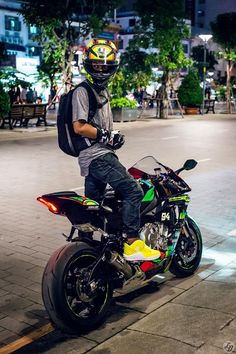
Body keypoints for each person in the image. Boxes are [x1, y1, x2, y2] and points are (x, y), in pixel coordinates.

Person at [72, 38, 160, 261]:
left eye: (105, 66)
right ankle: (132, 243)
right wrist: (105, 136)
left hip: (97, 156)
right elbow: (79, 127)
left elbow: (99, 126)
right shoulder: (83, 91)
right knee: (133, 191)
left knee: (96, 208)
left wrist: (112, 137)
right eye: (97, 65)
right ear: (89, 65)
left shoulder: (101, 91)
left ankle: (89, 254)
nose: (101, 70)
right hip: (97, 157)